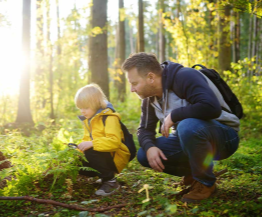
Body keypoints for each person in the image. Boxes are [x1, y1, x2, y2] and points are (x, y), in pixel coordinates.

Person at [122, 52, 240, 203]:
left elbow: (211, 107)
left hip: (224, 136)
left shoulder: (184, 76)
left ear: (150, 77)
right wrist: (150, 146)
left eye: (134, 83)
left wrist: (174, 115)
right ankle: (195, 173)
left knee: (187, 126)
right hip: (190, 138)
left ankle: (205, 183)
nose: (132, 89)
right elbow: (144, 130)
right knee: (144, 154)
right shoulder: (149, 98)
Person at [75, 84, 130, 196]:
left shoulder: (109, 118)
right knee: (76, 160)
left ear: (95, 104)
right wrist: (77, 152)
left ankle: (111, 182)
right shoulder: (88, 120)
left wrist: (91, 144)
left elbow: (114, 142)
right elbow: (86, 140)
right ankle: (104, 176)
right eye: (80, 108)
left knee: (91, 149)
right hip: (103, 154)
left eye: (86, 108)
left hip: (116, 156)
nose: (82, 111)